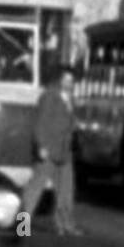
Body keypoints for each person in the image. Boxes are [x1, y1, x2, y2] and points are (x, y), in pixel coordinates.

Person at [20, 66, 82, 235]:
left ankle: (65, 225)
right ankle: (21, 226)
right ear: (59, 80)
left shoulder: (70, 99)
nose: (70, 83)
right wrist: (41, 146)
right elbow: (40, 123)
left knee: (66, 191)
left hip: (65, 150)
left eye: (72, 80)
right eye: (67, 80)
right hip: (48, 149)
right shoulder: (49, 96)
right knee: (34, 189)